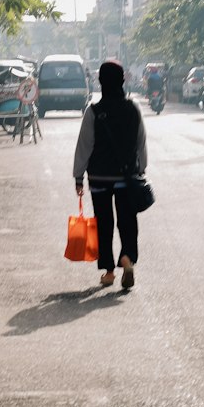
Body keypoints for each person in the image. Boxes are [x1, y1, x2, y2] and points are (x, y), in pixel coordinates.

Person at [73, 59, 148, 291]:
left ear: (100, 82)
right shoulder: (133, 107)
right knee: (127, 221)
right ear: (123, 80)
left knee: (104, 224)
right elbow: (140, 141)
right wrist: (141, 168)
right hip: (126, 177)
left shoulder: (94, 111)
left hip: (99, 178)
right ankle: (127, 257)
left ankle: (108, 271)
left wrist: (78, 176)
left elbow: (84, 145)